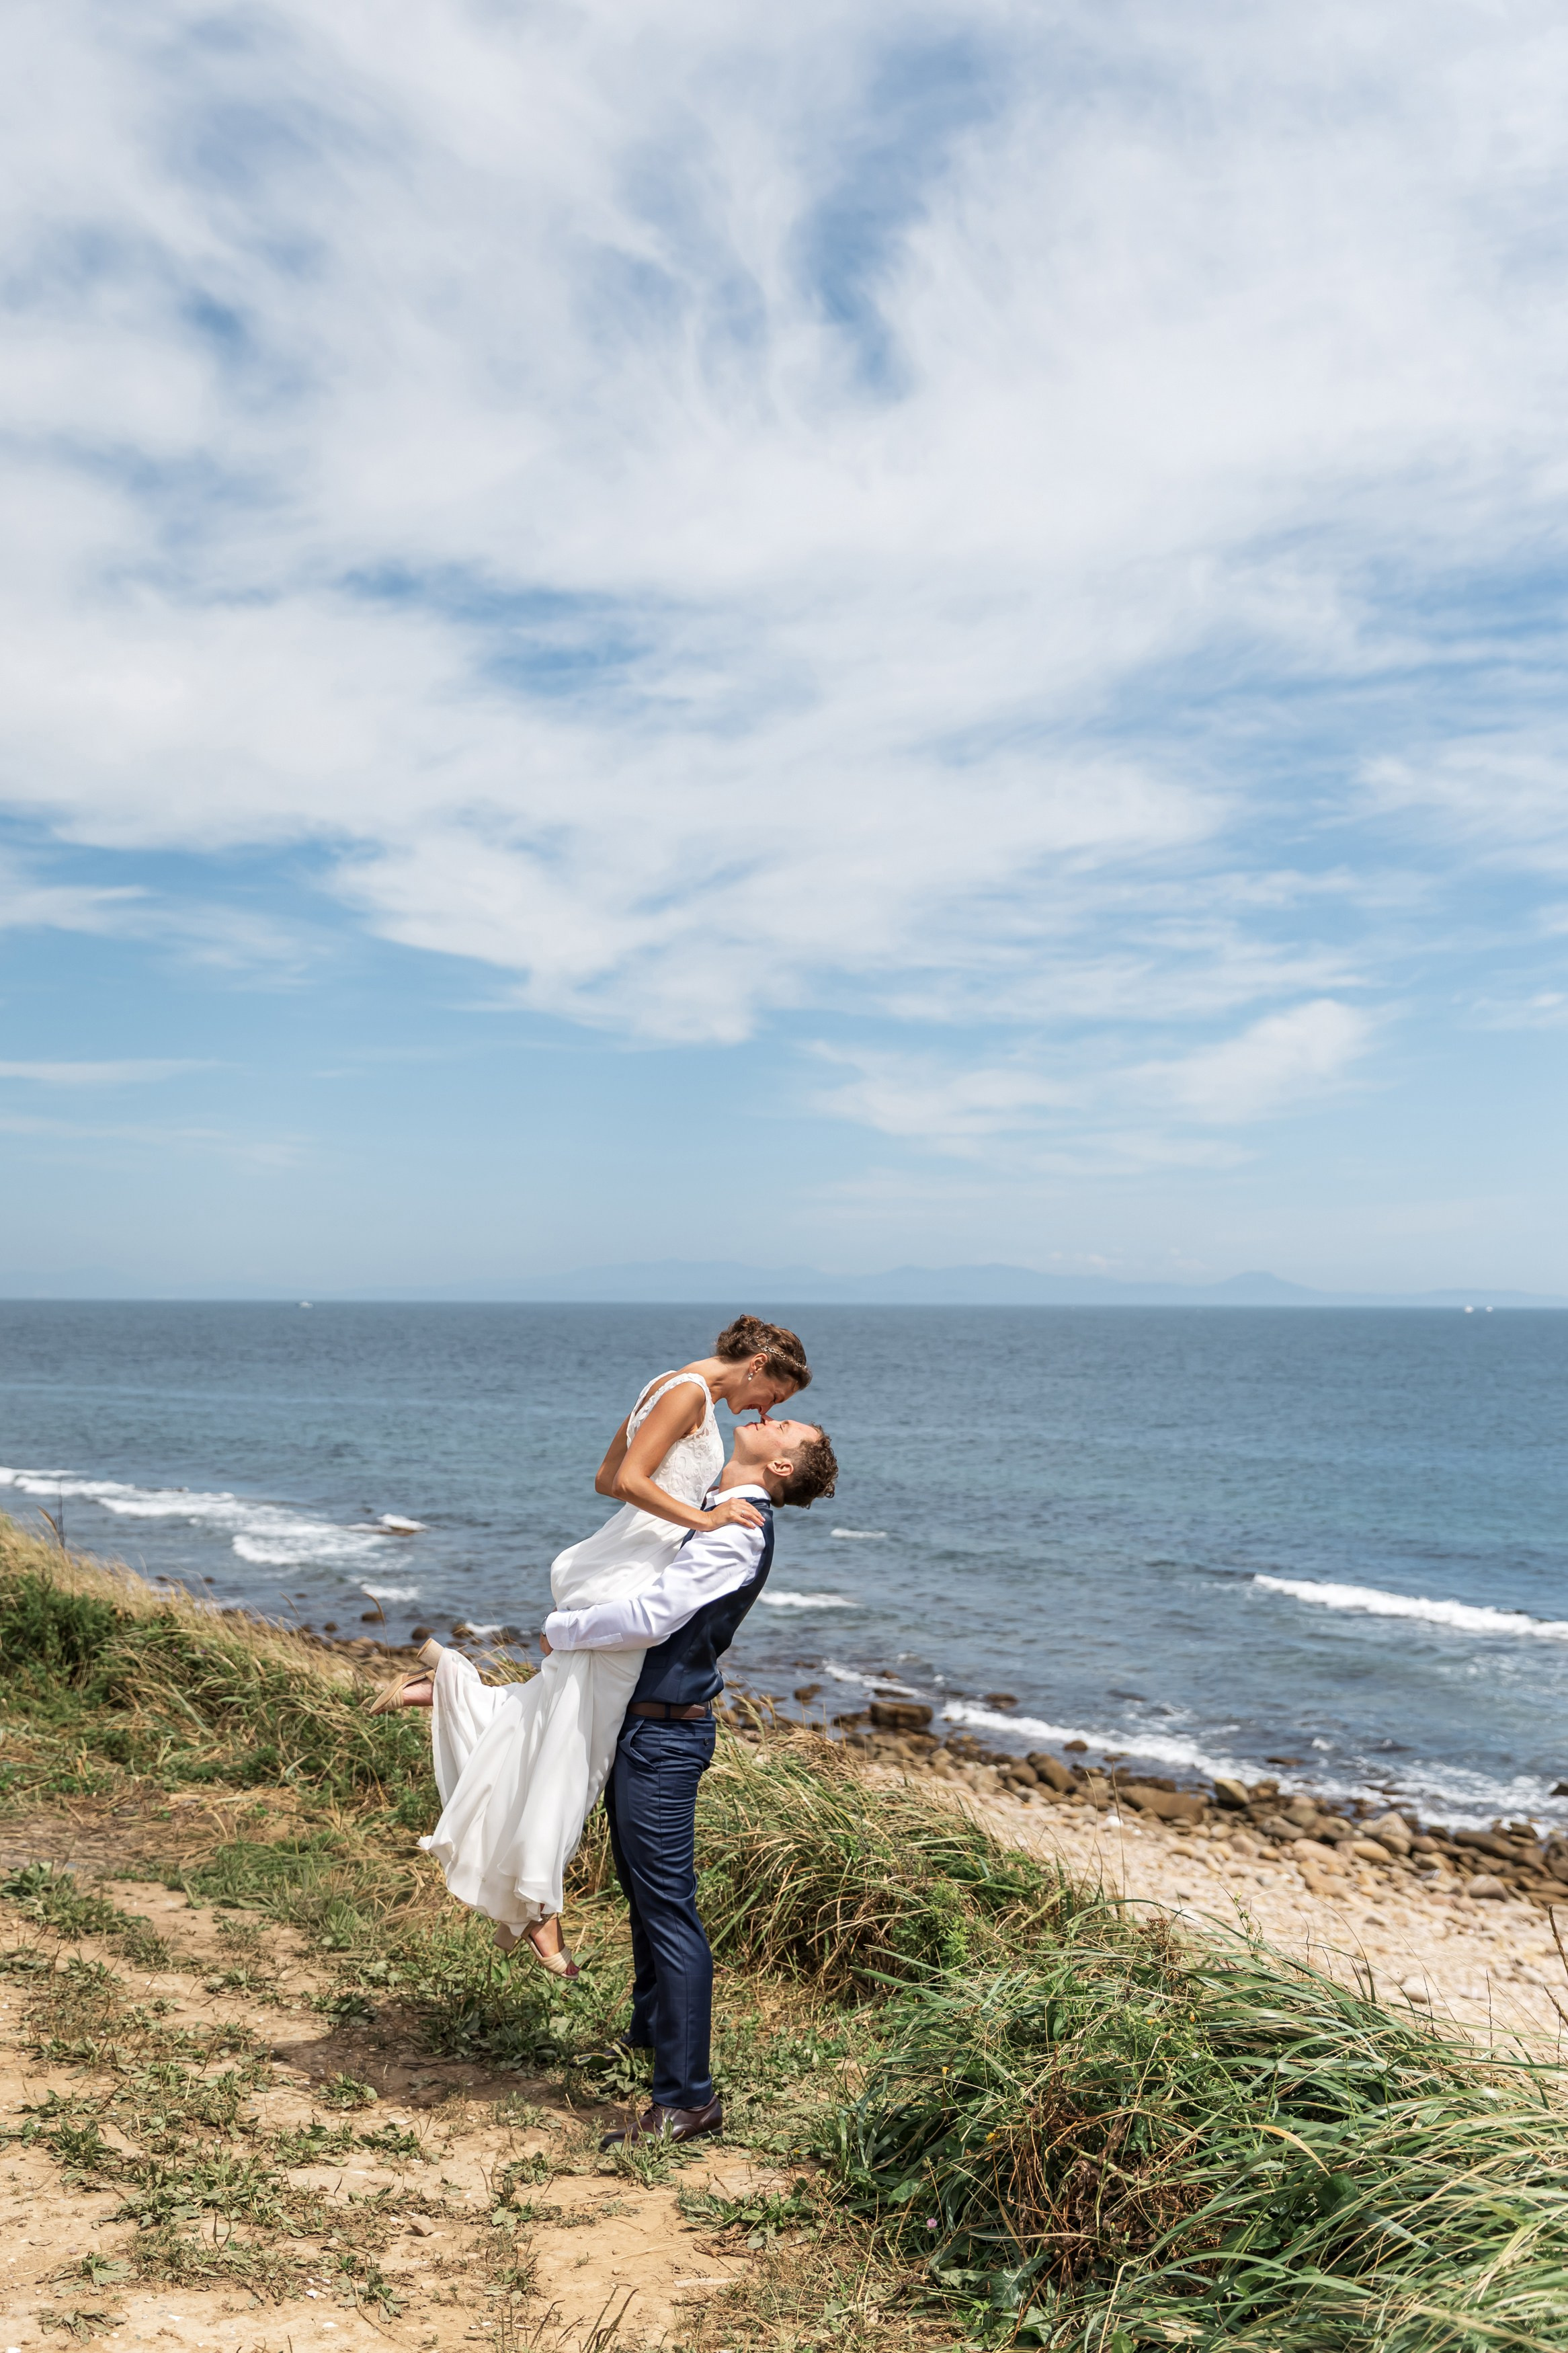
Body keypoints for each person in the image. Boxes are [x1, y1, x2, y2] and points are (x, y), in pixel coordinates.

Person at [368, 1316, 811, 1977]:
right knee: (580, 1752)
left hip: (615, 1559)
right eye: (775, 1394)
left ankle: (446, 1690)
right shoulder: (690, 1395)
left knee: (559, 1714)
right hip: (630, 1576)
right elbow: (629, 1479)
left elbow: (605, 1478)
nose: (768, 1407)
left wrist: (679, 1511)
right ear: (758, 1364)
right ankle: (535, 1905)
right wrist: (704, 1515)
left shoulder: (666, 1384)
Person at [540, 1412, 839, 2147]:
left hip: (666, 1733)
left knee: (670, 1909)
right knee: (642, 1892)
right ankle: (649, 2035)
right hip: (644, 1723)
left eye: (789, 1424)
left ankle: (687, 2098)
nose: (772, 1416)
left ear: (779, 1466)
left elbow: (653, 1614)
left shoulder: (738, 1530)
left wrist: (562, 1629)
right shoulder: (711, 1505)